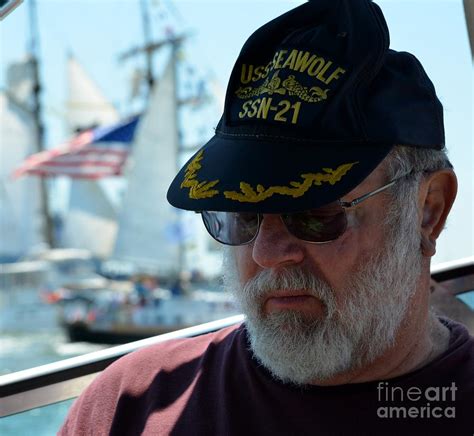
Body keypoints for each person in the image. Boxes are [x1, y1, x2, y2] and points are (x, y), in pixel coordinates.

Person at [59, 0, 473, 434]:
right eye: (239, 214)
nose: (266, 252)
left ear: (428, 211)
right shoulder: (127, 405)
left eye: (315, 211)